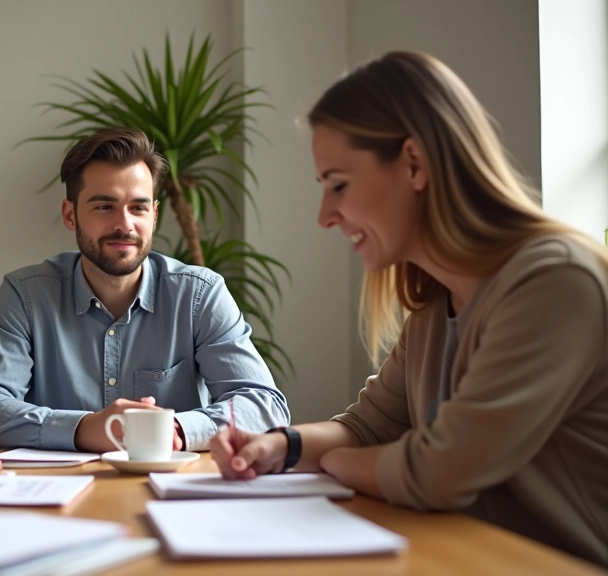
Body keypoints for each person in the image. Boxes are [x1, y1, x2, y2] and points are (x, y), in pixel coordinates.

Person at [210, 51, 608, 567]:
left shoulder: (553, 281)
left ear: (414, 164)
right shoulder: (434, 302)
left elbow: (438, 472)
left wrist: (334, 461)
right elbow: (370, 426)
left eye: (339, 184)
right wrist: (280, 446)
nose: (325, 216)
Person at [0, 128, 289, 454]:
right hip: (60, 496)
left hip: (169, 492)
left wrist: (174, 431)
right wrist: (83, 428)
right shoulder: (26, 296)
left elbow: (264, 405)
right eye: (104, 206)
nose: (125, 225)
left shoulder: (200, 295)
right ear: (71, 215)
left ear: (155, 215)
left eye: (138, 207)